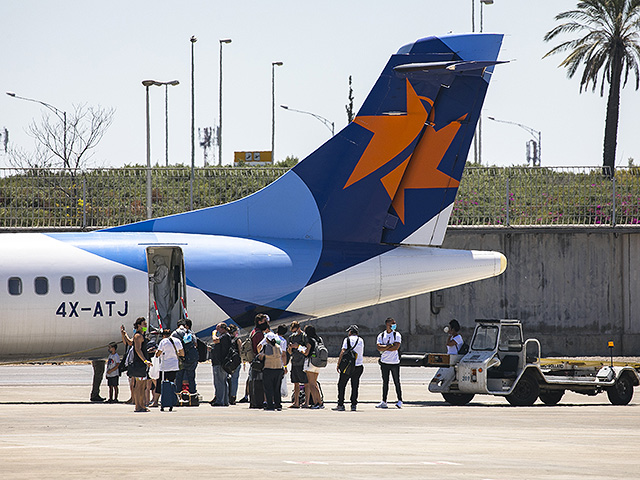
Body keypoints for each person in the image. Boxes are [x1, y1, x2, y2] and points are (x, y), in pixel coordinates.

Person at [333, 325, 364, 411]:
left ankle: (341, 404)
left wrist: (338, 364)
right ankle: (353, 404)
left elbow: (343, 352)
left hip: (348, 366)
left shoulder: (347, 340)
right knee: (355, 385)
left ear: (350, 332)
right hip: (358, 366)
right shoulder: (361, 340)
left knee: (341, 385)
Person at [376, 317, 403, 409]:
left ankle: (400, 400)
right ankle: (384, 401)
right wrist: (389, 346)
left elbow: (396, 347)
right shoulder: (381, 335)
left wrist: (385, 347)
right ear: (388, 324)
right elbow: (379, 347)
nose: (394, 324)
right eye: (392, 323)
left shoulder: (397, 334)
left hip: (394, 362)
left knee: (396, 381)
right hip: (384, 362)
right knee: (385, 382)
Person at [128, 317, 152, 412]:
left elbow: (130, 342)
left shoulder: (142, 335)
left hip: (142, 365)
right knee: (139, 386)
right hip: (138, 363)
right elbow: (137, 349)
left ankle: (142, 404)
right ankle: (138, 405)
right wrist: (145, 360)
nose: (145, 326)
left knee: (143, 386)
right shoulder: (138, 336)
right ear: (139, 325)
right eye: (144, 324)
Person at [154, 328, 183, 407]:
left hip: (164, 367)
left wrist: (157, 352)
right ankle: (173, 400)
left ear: (163, 335)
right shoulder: (177, 341)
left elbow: (158, 353)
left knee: (160, 384)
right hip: (174, 366)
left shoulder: (163, 341)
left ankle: (155, 401)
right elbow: (182, 353)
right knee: (172, 383)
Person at [258, 331, 285, 410]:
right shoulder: (278, 346)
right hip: (279, 369)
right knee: (277, 388)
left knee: (268, 388)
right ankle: (278, 404)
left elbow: (261, 356)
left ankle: (270, 405)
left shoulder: (266, 347)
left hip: (269, 369)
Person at [172, 319, 199, 394]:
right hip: (191, 358)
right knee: (191, 378)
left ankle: (178, 394)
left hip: (180, 359)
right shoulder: (190, 332)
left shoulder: (175, 333)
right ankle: (192, 394)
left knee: (179, 378)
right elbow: (195, 344)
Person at [287, 321, 308, 408]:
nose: (294, 333)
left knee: (306, 383)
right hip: (294, 361)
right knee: (295, 383)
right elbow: (289, 352)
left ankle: (306, 402)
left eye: (295, 331)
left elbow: (307, 349)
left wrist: (298, 346)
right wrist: (290, 348)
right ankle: (296, 402)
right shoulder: (291, 337)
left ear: (299, 328)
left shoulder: (304, 337)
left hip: (302, 362)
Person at [210, 322, 231, 406]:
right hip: (221, 362)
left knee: (219, 382)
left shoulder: (225, 336)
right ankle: (225, 400)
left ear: (222, 329)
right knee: (223, 382)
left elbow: (215, 340)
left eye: (218, 328)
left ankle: (220, 401)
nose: (217, 330)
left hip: (220, 362)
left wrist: (213, 333)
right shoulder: (225, 336)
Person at [303, 325, 324, 409]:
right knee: (315, 384)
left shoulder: (309, 340)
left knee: (311, 384)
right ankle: (320, 402)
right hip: (318, 363)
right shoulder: (319, 339)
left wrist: (300, 349)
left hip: (310, 363)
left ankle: (315, 403)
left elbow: (306, 353)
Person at [149, 255, 172, 329]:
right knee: (162, 306)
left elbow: (158, 279)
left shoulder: (162, 268)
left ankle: (165, 325)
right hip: (162, 290)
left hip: (161, 291)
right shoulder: (163, 268)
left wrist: (150, 279)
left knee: (162, 307)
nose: (154, 264)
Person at [227, 324, 242, 405]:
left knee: (226, 379)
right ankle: (233, 396)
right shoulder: (237, 340)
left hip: (228, 361)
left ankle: (227, 395)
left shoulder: (227, 339)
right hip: (236, 362)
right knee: (234, 380)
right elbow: (240, 351)